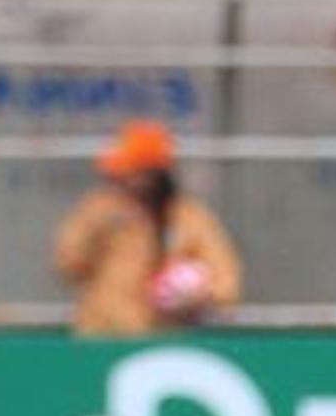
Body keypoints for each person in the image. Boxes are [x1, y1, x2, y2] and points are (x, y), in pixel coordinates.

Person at [52, 121, 246, 336]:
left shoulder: (187, 217)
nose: (119, 179)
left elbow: (225, 279)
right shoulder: (98, 208)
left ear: (152, 174)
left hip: (163, 341)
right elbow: (68, 265)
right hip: (101, 335)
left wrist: (198, 295)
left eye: (130, 171)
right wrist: (97, 228)